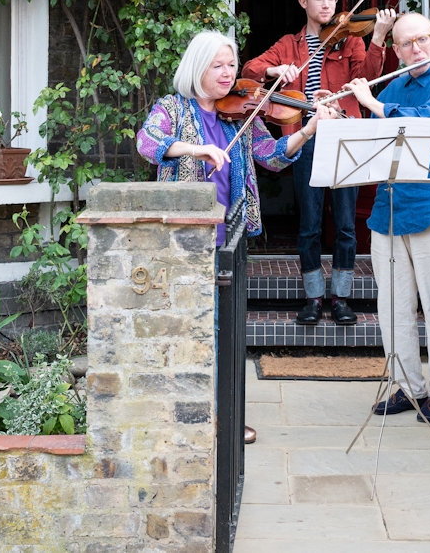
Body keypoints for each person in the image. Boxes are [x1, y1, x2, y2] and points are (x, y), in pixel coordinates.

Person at [138, 30, 339, 447]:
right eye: (218, 65)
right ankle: (193, 416)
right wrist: (194, 151)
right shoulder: (172, 109)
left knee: (228, 331)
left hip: (231, 236)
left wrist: (309, 129)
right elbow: (147, 142)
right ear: (198, 68)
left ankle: (224, 417)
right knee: (195, 328)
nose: (228, 73)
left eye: (232, 64)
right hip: (186, 238)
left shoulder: (242, 115)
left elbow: (271, 155)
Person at [243, 0, 396, 326]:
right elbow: (251, 68)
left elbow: (369, 78)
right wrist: (275, 68)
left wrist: (377, 37)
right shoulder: (289, 44)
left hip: (344, 134)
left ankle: (341, 297)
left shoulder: (351, 41)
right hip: (305, 138)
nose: (327, 5)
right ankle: (313, 297)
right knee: (309, 224)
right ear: (304, 3)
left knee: (344, 224)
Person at [341, 12, 430, 424]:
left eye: (423, 40)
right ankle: (407, 385)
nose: (416, 49)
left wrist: (375, 104)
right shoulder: (396, 83)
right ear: (396, 50)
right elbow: (368, 133)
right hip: (389, 210)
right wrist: (347, 113)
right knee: (392, 307)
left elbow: (427, 121)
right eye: (407, 44)